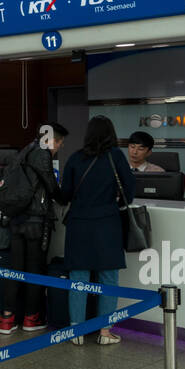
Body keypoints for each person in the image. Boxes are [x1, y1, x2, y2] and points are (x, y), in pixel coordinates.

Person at [58, 116, 137, 345]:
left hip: (79, 223)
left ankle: (77, 332)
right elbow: (129, 190)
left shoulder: (75, 158)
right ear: (111, 134)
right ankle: (105, 332)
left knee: (78, 277)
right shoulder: (116, 157)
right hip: (107, 224)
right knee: (108, 278)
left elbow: (65, 194)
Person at [0, 122, 67, 335]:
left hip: (16, 219)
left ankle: (7, 318)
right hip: (36, 222)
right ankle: (31, 318)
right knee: (35, 270)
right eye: (60, 144)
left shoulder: (25, 150)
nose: (58, 149)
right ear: (53, 140)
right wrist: (64, 197)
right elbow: (51, 186)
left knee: (16, 269)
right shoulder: (43, 154)